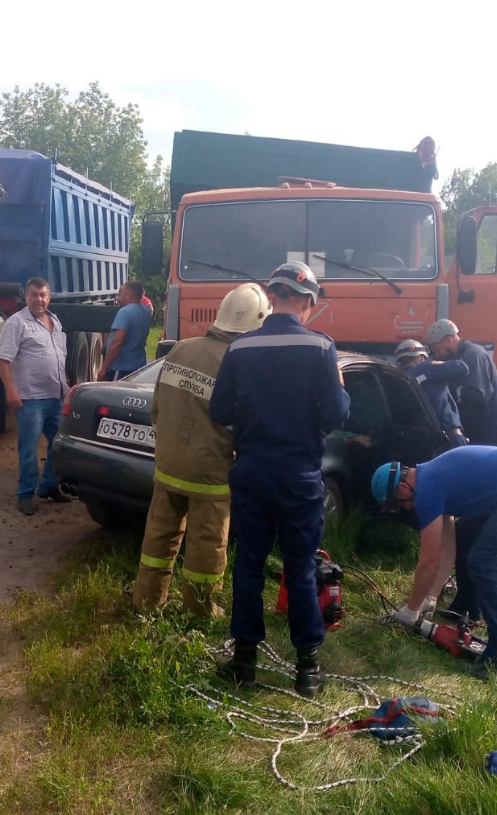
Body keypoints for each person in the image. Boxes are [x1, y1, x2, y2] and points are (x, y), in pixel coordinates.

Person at [210, 262, 350, 697]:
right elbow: (337, 415)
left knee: (249, 564)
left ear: (272, 296)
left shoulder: (241, 347)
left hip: (252, 471)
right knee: (301, 569)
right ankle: (307, 671)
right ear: (306, 300)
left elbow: (219, 412)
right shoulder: (322, 348)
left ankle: (245, 662)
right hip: (299, 476)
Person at [132, 283, 272, 618]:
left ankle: (147, 603)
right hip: (210, 474)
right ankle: (199, 609)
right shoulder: (242, 363)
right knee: (207, 547)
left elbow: (157, 407)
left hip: (168, 464)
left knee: (158, 537)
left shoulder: (181, 349)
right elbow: (246, 425)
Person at [372, 446, 497, 679]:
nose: (405, 508)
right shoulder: (431, 478)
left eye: (399, 503)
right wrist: (431, 596)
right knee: (465, 537)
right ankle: (467, 608)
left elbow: (428, 560)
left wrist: (411, 609)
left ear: (402, 487)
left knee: (485, 561)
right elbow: (447, 546)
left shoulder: (427, 488)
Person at [0, 277, 72, 516]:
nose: (39, 299)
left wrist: (67, 388)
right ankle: (25, 494)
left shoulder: (55, 321)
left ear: (49, 297)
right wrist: (11, 391)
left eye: (43, 295)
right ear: (25, 297)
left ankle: (49, 486)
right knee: (28, 449)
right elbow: (3, 359)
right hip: (30, 399)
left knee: (60, 445)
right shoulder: (16, 323)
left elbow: (59, 356)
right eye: (34, 294)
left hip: (56, 396)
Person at [424, 319, 497, 449]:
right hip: (478, 429)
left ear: (449, 340)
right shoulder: (456, 357)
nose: (436, 355)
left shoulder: (473, 355)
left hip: (491, 432)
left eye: (437, 349)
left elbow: (477, 396)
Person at [395, 338, 469, 448]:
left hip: (418, 437)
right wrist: (437, 363)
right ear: (421, 357)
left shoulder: (397, 377)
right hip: (449, 437)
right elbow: (462, 368)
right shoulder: (426, 367)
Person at [98, 281, 153, 381]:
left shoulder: (125, 312)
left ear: (128, 295)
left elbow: (117, 342)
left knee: (115, 395)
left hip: (121, 369)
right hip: (138, 366)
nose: (118, 298)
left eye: (120, 294)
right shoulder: (146, 312)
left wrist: (104, 369)